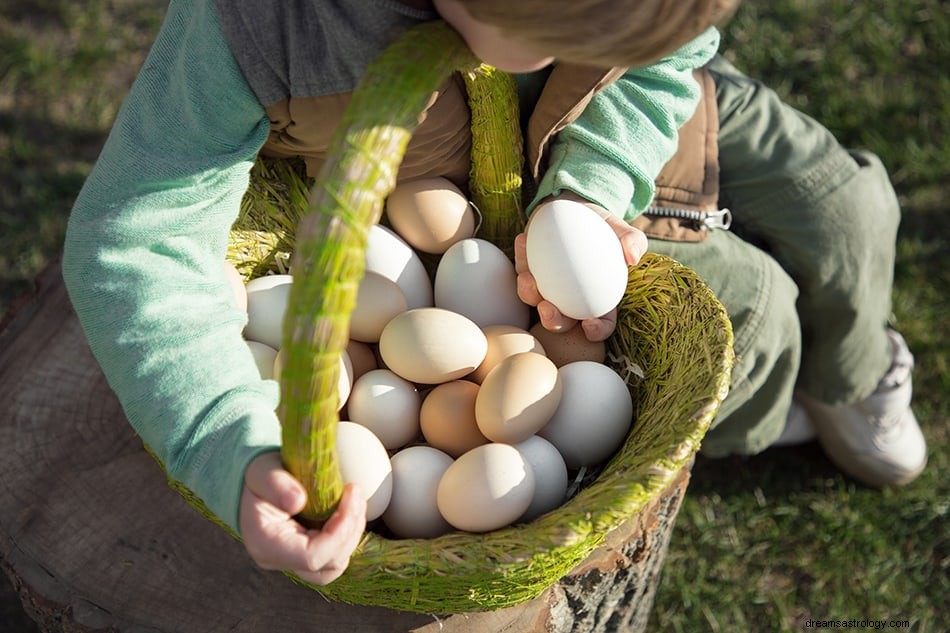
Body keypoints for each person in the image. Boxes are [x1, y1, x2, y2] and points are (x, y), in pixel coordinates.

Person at [61, 0, 925, 588]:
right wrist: (228, 437)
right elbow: (136, 236)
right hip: (461, 201)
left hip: (607, 121)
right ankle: (783, 410)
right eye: (546, 27)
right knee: (761, 312)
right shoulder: (262, 27)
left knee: (846, 207)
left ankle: (849, 378)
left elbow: (671, 59)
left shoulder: (623, 27)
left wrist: (594, 186)